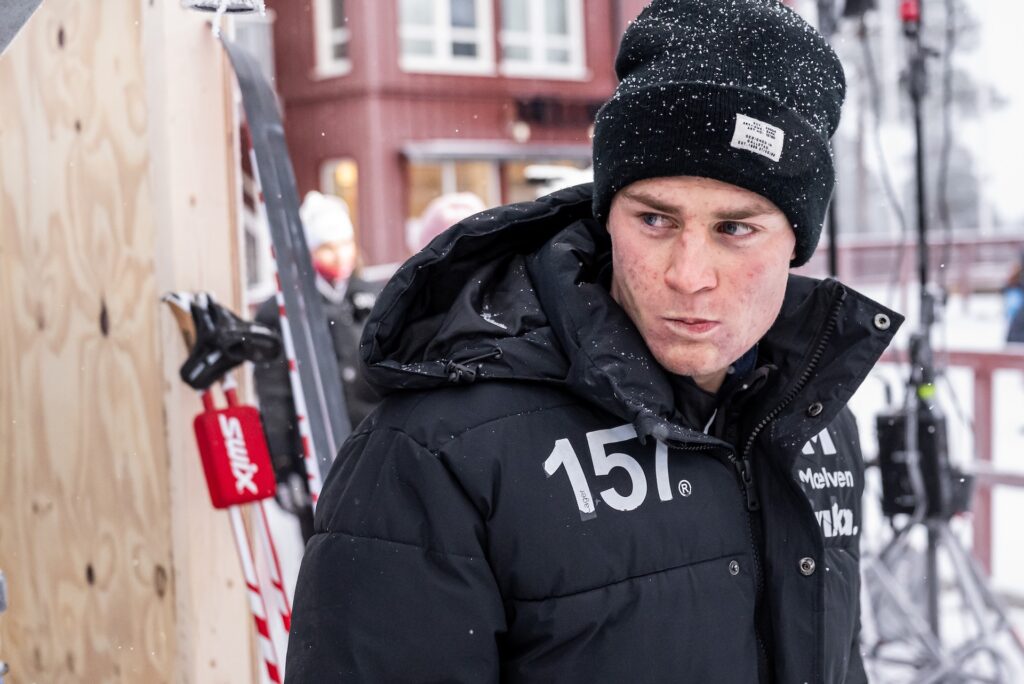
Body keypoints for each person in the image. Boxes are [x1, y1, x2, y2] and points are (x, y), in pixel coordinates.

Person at [286, 1, 903, 681]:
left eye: (736, 229)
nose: (688, 275)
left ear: (797, 243)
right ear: (607, 216)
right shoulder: (436, 455)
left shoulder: (814, 422)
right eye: (654, 220)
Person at [253, 191, 380, 539]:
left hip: (375, 450)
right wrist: (282, 464)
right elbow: (275, 396)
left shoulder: (375, 298)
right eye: (327, 247)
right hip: (317, 454)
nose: (340, 255)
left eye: (345, 243)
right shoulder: (283, 312)